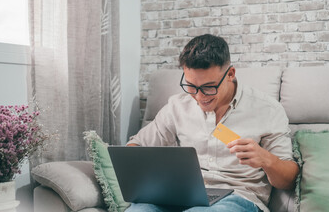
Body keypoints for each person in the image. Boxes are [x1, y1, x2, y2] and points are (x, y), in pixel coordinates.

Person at [126, 34, 299, 212]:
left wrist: (266, 159)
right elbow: (136, 146)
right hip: (179, 195)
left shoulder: (267, 109)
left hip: (237, 198)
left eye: (209, 87)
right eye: (191, 86)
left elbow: (289, 180)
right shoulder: (177, 106)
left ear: (230, 74)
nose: (199, 97)